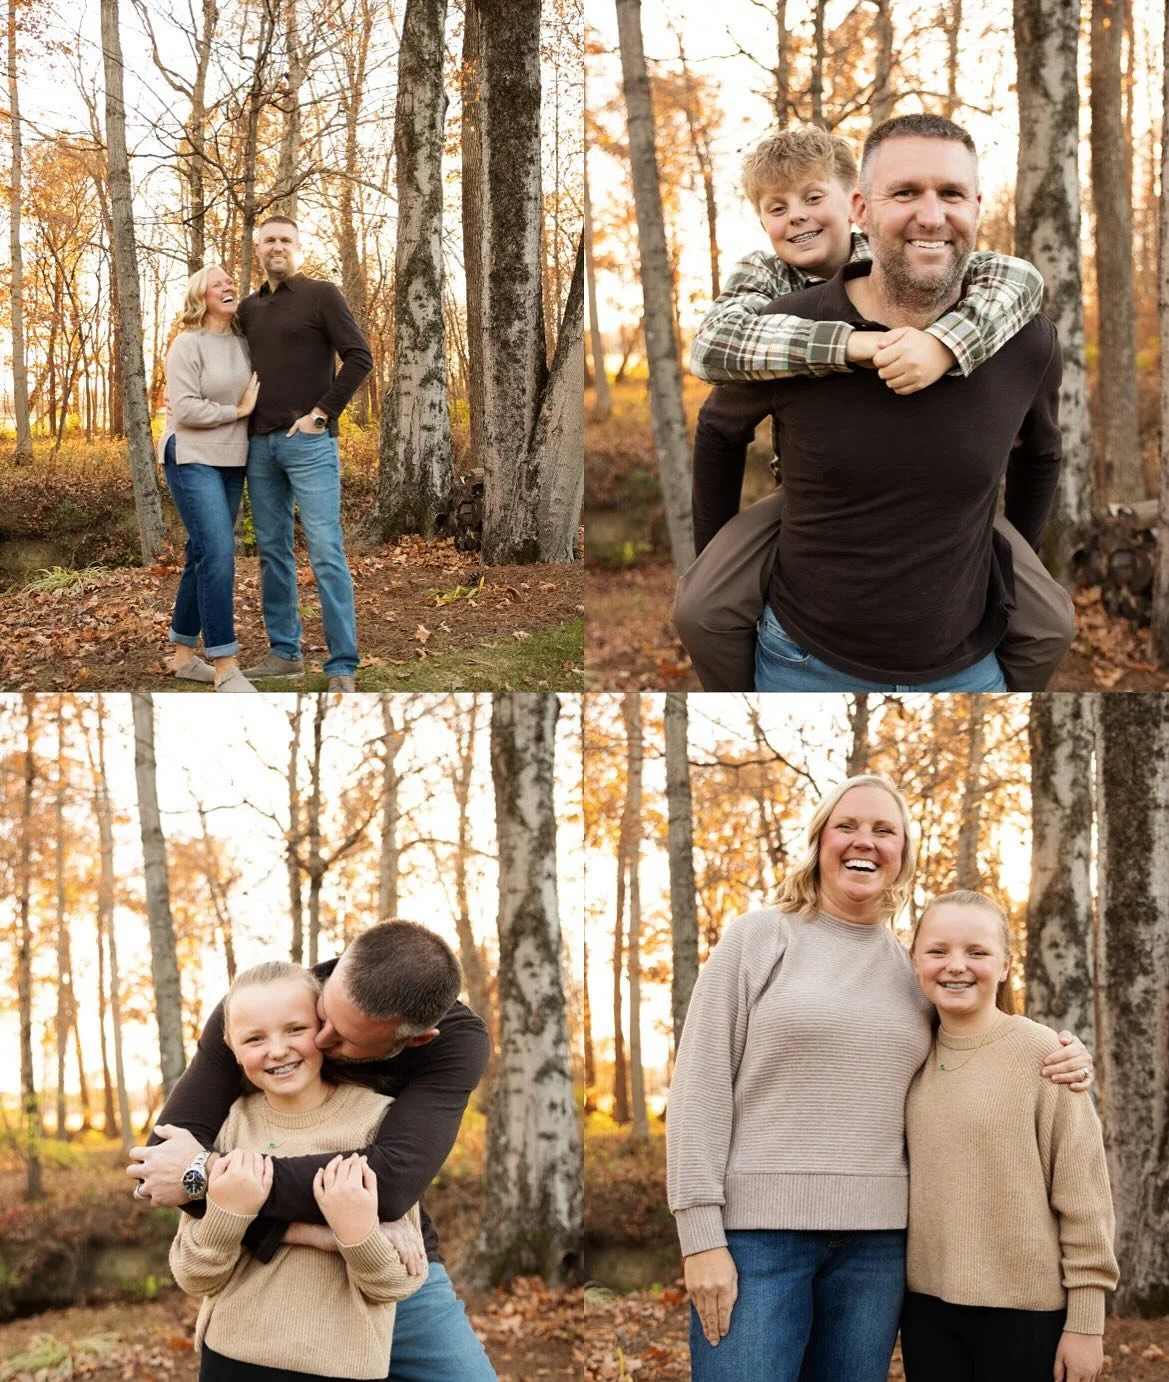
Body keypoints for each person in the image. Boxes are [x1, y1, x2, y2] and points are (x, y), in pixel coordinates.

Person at [666, 776, 1095, 1382]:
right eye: (846, 826)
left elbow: (976, 1050)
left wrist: (1067, 1055)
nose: (863, 841)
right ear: (819, 842)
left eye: (883, 830)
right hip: (757, 1242)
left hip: (878, 1250)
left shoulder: (913, 969)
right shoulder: (758, 939)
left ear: (901, 856)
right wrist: (699, 1235)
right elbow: (698, 1087)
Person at [673, 116, 1070, 692]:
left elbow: (1021, 280)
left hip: (960, 569)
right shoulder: (767, 288)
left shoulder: (986, 299)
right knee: (700, 606)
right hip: (809, 507)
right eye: (776, 208)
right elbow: (713, 353)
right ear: (867, 205)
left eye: (812, 198)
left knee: (1053, 624)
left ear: (847, 204)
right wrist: (855, 344)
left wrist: (941, 343)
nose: (798, 216)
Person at [130, 921, 497, 1382]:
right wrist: (318, 1232)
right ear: (339, 966)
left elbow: (390, 1183)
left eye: (344, 1040)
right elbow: (161, 1165)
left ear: (414, 1039)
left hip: (381, 1255)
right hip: (281, 1277)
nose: (320, 1042)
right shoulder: (262, 1008)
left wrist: (208, 1174)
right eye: (322, 1015)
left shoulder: (456, 1044)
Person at [170, 960, 429, 1380]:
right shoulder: (231, 1124)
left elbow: (396, 1284)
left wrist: (358, 1233)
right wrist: (227, 1213)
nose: (277, 1049)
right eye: (254, 1038)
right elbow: (194, 1275)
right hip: (232, 1358)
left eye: (295, 1029)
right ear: (231, 1048)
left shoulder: (377, 1121)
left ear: (325, 1029)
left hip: (341, 1368)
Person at [902, 891, 1117, 1382]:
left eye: (977, 952)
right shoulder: (908, 1053)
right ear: (914, 960)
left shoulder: (1045, 1055)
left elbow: (1084, 1197)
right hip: (926, 1313)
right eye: (938, 951)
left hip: (1027, 1316)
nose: (957, 965)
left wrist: (1087, 1323)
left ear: (1004, 965)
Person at [237, 216, 373, 693]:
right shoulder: (248, 309)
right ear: (257, 249)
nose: (277, 247)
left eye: (286, 240)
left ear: (299, 247)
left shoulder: (322, 295)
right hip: (258, 446)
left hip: (310, 443)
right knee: (272, 552)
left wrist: (320, 414)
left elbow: (360, 357)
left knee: (326, 551)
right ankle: (284, 653)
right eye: (269, 240)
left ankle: (341, 665)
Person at [159, 265, 261, 693]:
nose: (228, 286)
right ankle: (225, 663)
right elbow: (184, 410)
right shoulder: (187, 343)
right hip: (190, 455)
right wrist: (236, 412)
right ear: (201, 296)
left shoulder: (245, 343)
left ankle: (183, 657)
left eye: (230, 282)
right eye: (217, 282)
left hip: (232, 458)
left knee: (201, 553)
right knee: (219, 551)